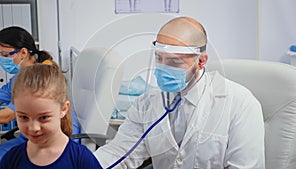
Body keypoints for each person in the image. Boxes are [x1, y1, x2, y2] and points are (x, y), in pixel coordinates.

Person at [94, 16, 265, 168]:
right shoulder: (146, 104)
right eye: (159, 59)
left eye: (174, 62)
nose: (163, 68)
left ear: (201, 61)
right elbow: (120, 154)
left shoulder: (241, 104)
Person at [0, 64, 102, 168]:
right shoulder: (11, 159)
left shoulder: (81, 159)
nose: (33, 128)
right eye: (23, 117)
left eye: (43, 117)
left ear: (63, 109)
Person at [0, 26, 80, 159]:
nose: (2, 60)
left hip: (51, 139)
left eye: (5, 55)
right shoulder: (20, 77)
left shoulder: (40, 78)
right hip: (32, 136)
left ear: (23, 53)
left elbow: (6, 116)